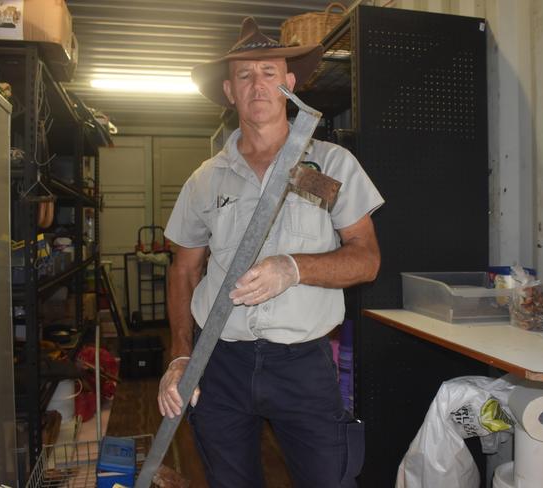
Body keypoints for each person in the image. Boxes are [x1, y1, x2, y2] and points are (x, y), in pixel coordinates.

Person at [158, 16, 384, 488]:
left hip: (302, 366)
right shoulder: (205, 179)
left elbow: (366, 258)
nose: (257, 84)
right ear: (229, 92)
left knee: (330, 480)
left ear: (290, 83)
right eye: (244, 75)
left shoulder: (329, 166)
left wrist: (294, 268)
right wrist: (181, 356)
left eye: (268, 72)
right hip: (219, 362)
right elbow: (183, 271)